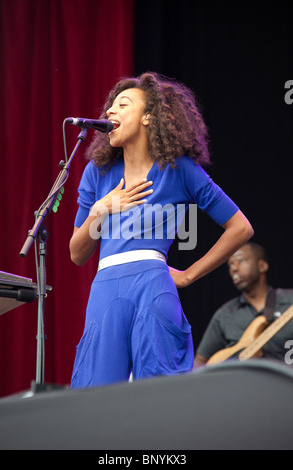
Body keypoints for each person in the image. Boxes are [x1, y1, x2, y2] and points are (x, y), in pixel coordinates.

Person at [69, 72, 253, 388]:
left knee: (157, 394)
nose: (110, 111)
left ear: (148, 117)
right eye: (110, 107)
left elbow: (240, 227)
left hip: (153, 286)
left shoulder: (178, 168)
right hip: (104, 289)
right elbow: (77, 253)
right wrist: (101, 209)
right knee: (93, 398)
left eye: (122, 104)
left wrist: (189, 274)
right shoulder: (96, 173)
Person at [195, 242, 293, 367]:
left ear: (262, 266)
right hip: (241, 385)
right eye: (230, 265)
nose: (234, 268)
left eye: (241, 261)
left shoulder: (289, 300)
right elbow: (200, 361)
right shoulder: (225, 314)